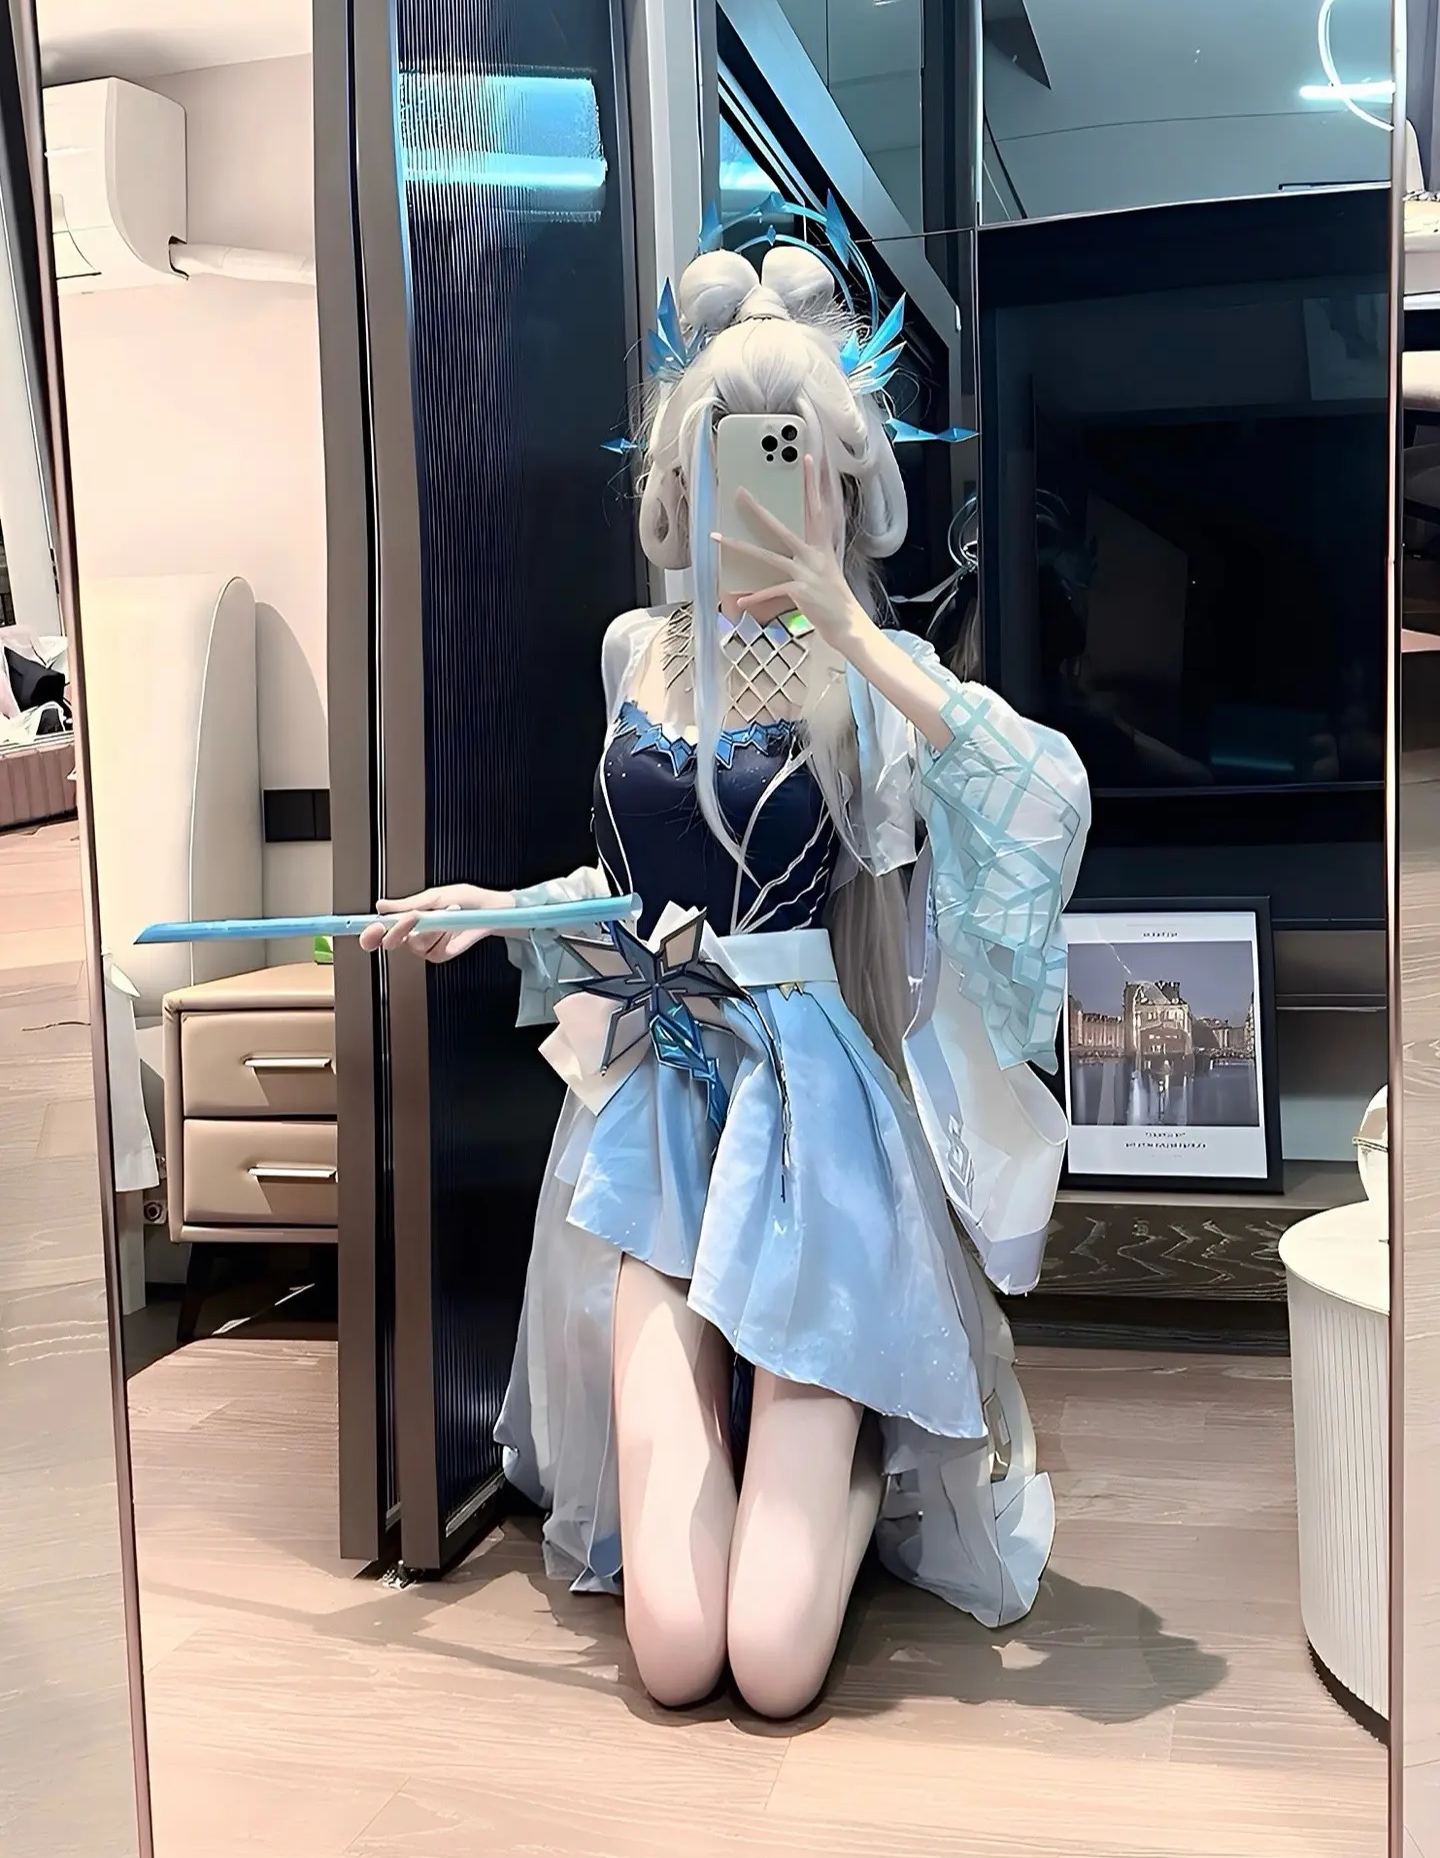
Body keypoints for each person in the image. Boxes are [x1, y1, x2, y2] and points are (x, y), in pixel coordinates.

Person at [365, 245, 1089, 1719]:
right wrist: (495, 910)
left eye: (794, 454)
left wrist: (849, 629)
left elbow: (1039, 798)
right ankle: (779, 1439)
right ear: (683, 472)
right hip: (659, 1097)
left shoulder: (872, 671)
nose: (759, 483)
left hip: (811, 1117)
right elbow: (630, 884)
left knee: (771, 1657)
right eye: (733, 450)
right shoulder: (638, 648)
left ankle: (859, 1444)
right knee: (678, 1646)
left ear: (842, 477)